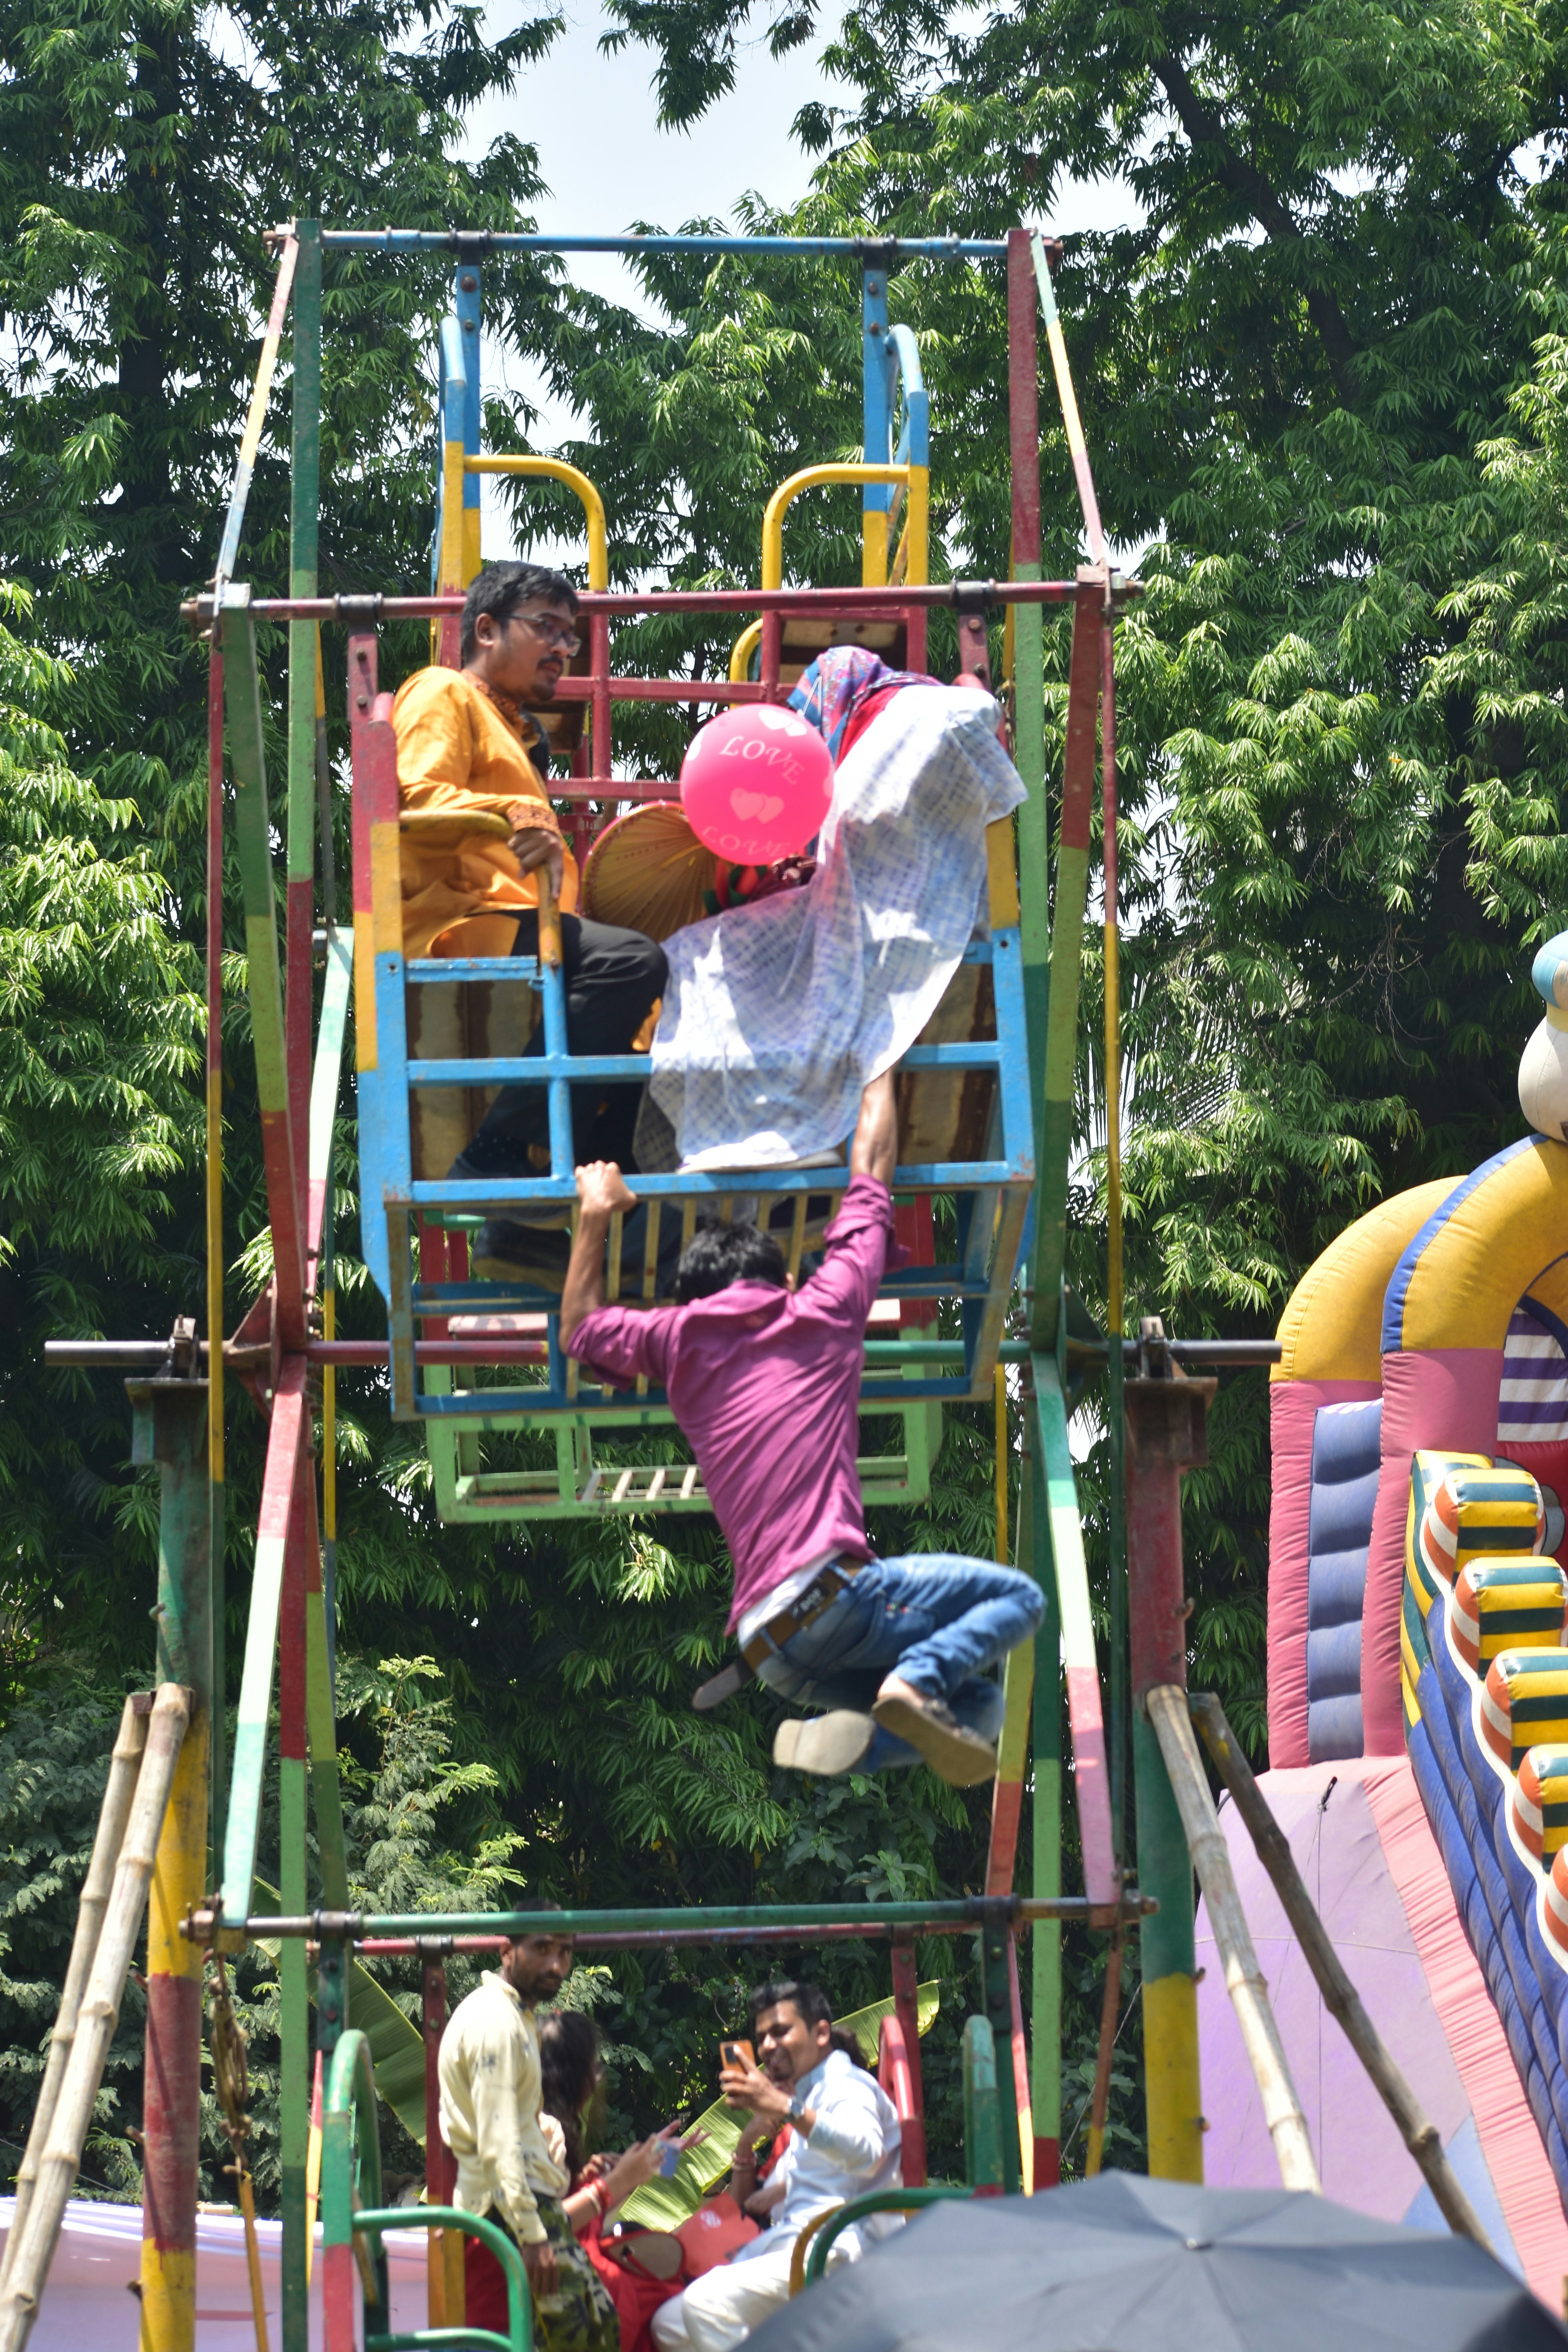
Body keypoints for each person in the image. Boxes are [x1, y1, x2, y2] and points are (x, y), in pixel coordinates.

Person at [559, 1071, 1045, 1784]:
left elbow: (579, 1329)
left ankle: (861, 1732)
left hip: (772, 1651)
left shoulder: (675, 1342)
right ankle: (908, 1686)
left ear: (683, 1300)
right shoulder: (821, 1310)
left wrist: (596, 1211)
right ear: (782, 1280)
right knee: (1018, 1599)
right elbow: (871, 1171)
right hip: (833, 1600)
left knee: (976, 1711)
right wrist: (874, 1060)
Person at [392, 559, 668, 1278]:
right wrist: (508, 809)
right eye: (546, 628)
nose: (562, 649)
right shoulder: (444, 690)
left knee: (649, 1050)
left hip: (520, 919)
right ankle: (495, 1155)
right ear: (485, 629)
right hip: (462, 915)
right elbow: (407, 798)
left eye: (570, 638)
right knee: (630, 961)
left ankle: (529, 1235)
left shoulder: (514, 731)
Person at [649, 1978, 901, 2352]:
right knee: (669, 2324)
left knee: (707, 2305)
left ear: (820, 2033)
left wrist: (786, 2108)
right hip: (793, 2245)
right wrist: (755, 2139)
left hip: (840, 2251)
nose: (768, 2046)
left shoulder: (848, 2085)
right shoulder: (808, 2097)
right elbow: (753, 2203)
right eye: (763, 2035)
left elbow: (865, 2154)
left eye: (781, 2031)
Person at [437, 1903, 620, 2352]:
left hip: (525, 2201)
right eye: (541, 1948)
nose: (556, 1964)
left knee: (598, 2327)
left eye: (565, 1952)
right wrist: (533, 2235)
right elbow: (500, 2141)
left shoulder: (516, 2017)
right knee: (583, 2337)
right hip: (507, 2207)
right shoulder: (495, 2023)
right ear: (506, 1951)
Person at [539, 2011, 699, 2352]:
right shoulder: (544, 2132)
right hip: (574, 2294)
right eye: (592, 2065)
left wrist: (590, 2178)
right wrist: (608, 2186)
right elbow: (539, 2227)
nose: (599, 2075)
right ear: (575, 2076)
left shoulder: (560, 2131)